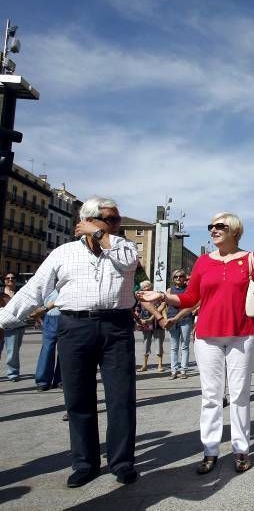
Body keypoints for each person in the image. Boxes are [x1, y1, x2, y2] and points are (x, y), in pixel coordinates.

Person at [0, 196, 140, 487]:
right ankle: (85, 463)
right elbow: (34, 291)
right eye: (110, 219)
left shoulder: (124, 247)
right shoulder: (62, 253)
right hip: (74, 326)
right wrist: (3, 319)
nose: (117, 224)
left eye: (117, 220)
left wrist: (99, 233)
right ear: (89, 219)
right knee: (78, 398)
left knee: (121, 398)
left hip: (116, 326)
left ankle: (122, 462)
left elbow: (128, 266)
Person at [138, 212, 254, 475]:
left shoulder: (250, 258)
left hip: (243, 334)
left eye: (220, 226)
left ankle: (240, 449)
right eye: (211, 226)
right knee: (211, 396)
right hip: (207, 336)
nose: (213, 230)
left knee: (239, 395)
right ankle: (210, 450)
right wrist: (163, 295)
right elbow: (191, 296)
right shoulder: (203, 262)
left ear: (235, 231)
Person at [164, 269, 195, 379]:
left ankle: (183, 370)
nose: (178, 278)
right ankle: (174, 370)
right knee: (174, 346)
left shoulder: (189, 289)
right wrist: (164, 318)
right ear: (173, 279)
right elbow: (165, 305)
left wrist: (194, 311)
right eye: (176, 277)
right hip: (172, 318)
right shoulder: (169, 290)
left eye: (181, 276)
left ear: (184, 278)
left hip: (186, 319)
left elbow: (194, 303)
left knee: (185, 345)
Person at [133, 280, 165, 372]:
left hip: (157, 323)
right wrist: (139, 319)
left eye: (148, 286)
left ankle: (159, 365)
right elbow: (137, 309)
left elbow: (161, 306)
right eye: (144, 287)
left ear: (151, 286)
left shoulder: (157, 295)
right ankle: (144, 365)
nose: (146, 288)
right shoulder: (141, 297)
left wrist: (151, 318)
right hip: (145, 324)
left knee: (158, 344)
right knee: (145, 344)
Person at [2, 272, 26, 381]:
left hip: (16, 325)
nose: (10, 280)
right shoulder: (1, 293)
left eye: (12, 278)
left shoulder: (20, 293)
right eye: (8, 278)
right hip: (1, 325)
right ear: (4, 280)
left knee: (13, 351)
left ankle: (13, 373)